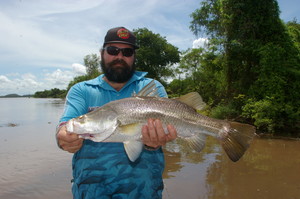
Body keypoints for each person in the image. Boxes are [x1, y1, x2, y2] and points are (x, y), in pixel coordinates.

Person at [56, 26, 177, 199]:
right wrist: (63, 137)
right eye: (113, 50)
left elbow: (161, 135)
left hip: (144, 191)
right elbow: (65, 124)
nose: (119, 57)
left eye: (127, 52)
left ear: (134, 57)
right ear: (102, 53)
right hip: (91, 192)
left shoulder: (153, 88)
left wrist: (153, 143)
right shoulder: (81, 90)